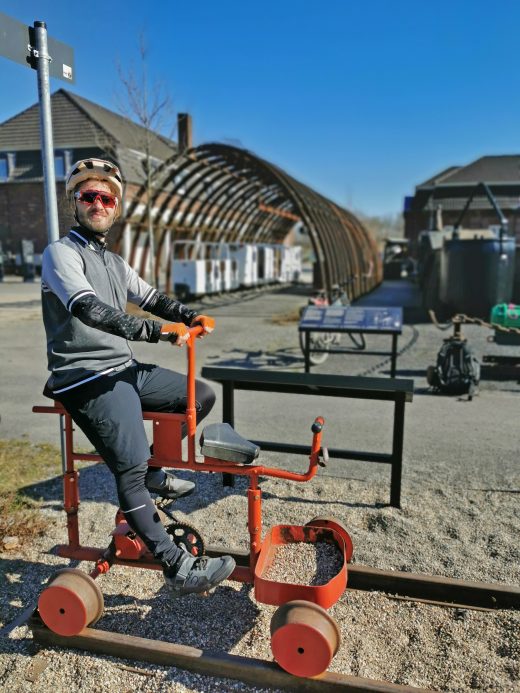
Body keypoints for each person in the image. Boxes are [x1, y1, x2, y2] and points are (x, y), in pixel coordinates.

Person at [40, 158, 235, 597]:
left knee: (199, 396)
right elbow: (88, 308)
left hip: (123, 368)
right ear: (75, 202)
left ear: (116, 207)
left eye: (106, 197)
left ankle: (152, 472)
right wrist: (157, 332)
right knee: (126, 468)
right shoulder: (60, 253)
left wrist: (188, 315)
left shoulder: (113, 260)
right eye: (88, 196)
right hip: (85, 376)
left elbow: (148, 297)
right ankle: (176, 567)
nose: (98, 203)